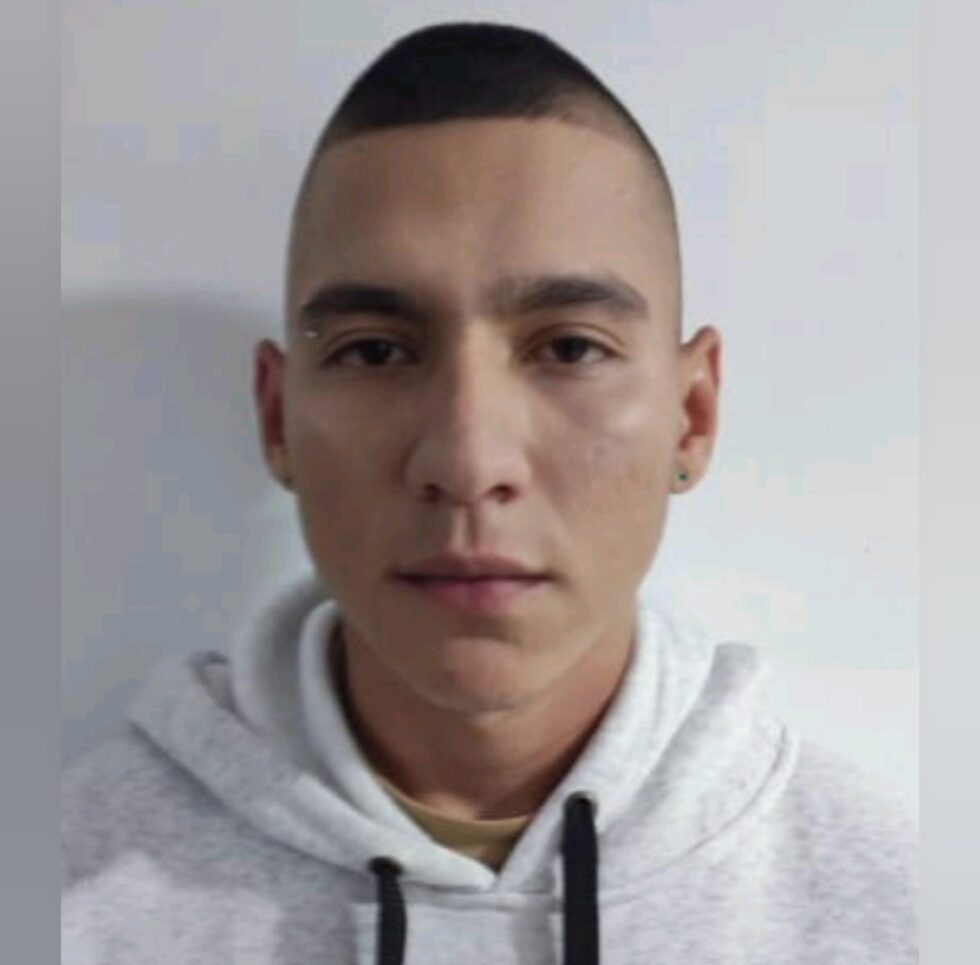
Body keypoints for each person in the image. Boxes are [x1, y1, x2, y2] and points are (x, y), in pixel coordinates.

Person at [61, 21, 916, 965]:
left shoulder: (900, 912)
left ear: (692, 416)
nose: (468, 463)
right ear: (277, 418)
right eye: (375, 352)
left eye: (570, 348)